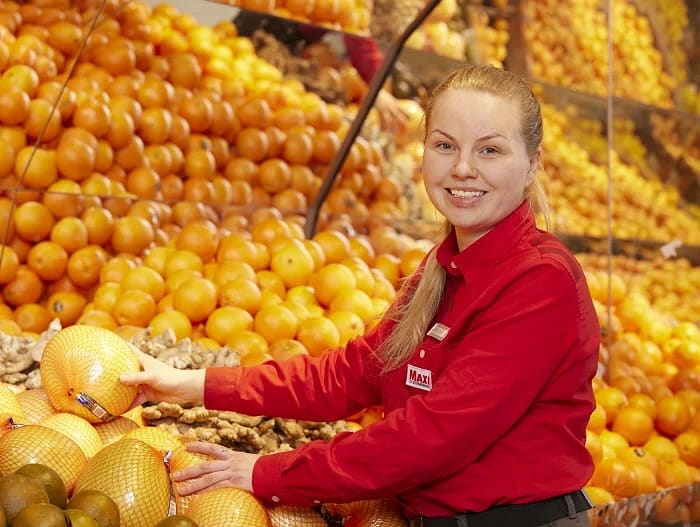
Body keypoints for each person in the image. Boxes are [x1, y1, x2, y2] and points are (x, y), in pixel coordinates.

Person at [121, 64, 600, 527]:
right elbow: (351, 374)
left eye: (490, 150)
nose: (463, 168)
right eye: (444, 145)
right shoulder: (442, 267)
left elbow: (431, 438)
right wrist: (194, 384)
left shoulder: (540, 281)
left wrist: (264, 473)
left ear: (532, 162)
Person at [231, 9, 408, 132]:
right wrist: (376, 88)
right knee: (242, 85)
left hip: (288, 38)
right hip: (266, 31)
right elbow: (357, 38)